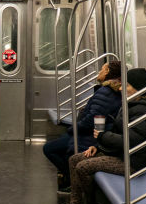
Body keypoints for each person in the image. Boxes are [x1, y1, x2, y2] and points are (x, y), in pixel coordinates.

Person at [51, 68, 146, 204]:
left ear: (138, 89)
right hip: (118, 153)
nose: (121, 88)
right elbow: (117, 132)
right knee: (75, 159)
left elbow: (131, 141)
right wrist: (97, 146)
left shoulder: (142, 111)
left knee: (83, 166)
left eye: (126, 86)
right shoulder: (129, 104)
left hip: (131, 161)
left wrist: (102, 136)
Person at [43, 60, 123, 192]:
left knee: (49, 149)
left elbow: (92, 120)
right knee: (56, 147)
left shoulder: (106, 92)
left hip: (89, 137)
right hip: (89, 133)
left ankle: (73, 181)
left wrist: (73, 129)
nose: (99, 72)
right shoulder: (107, 91)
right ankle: (71, 180)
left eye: (101, 69)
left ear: (107, 72)